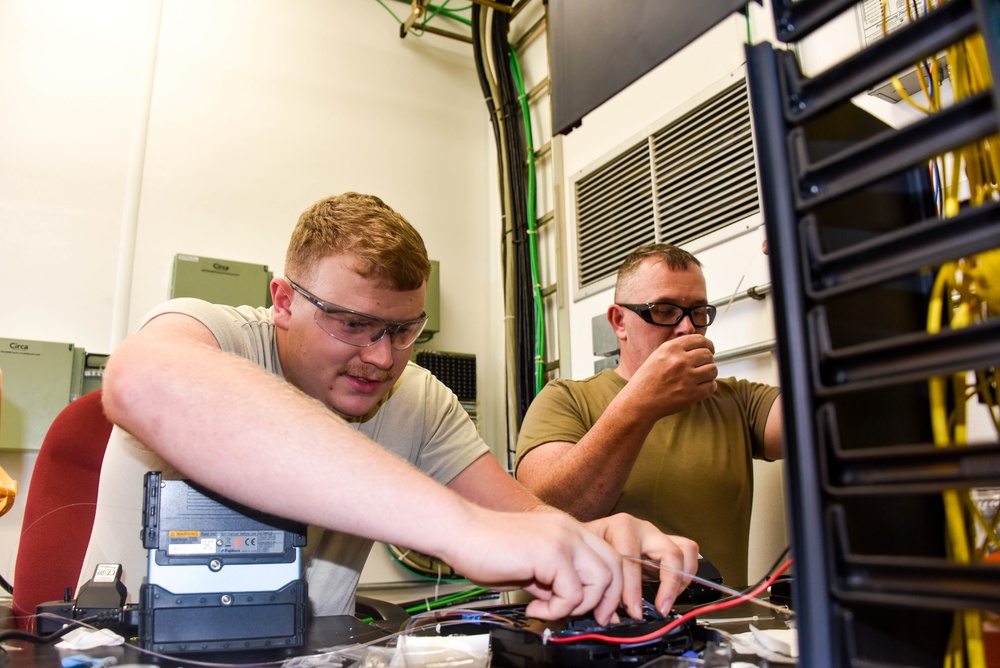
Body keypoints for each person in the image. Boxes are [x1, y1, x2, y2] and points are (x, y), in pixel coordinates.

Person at [78, 193, 698, 627]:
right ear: (284, 301)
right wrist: (462, 530)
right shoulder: (220, 334)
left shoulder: (419, 398)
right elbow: (140, 383)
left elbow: (519, 520)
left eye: (404, 330)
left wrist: (593, 540)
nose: (381, 357)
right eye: (353, 324)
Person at [515, 242, 782, 589]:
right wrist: (641, 402)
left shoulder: (738, 401)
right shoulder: (566, 399)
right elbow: (545, 517)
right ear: (619, 321)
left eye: (698, 311)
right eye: (665, 310)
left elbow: (834, 421)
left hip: (719, 631)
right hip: (599, 633)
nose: (687, 328)